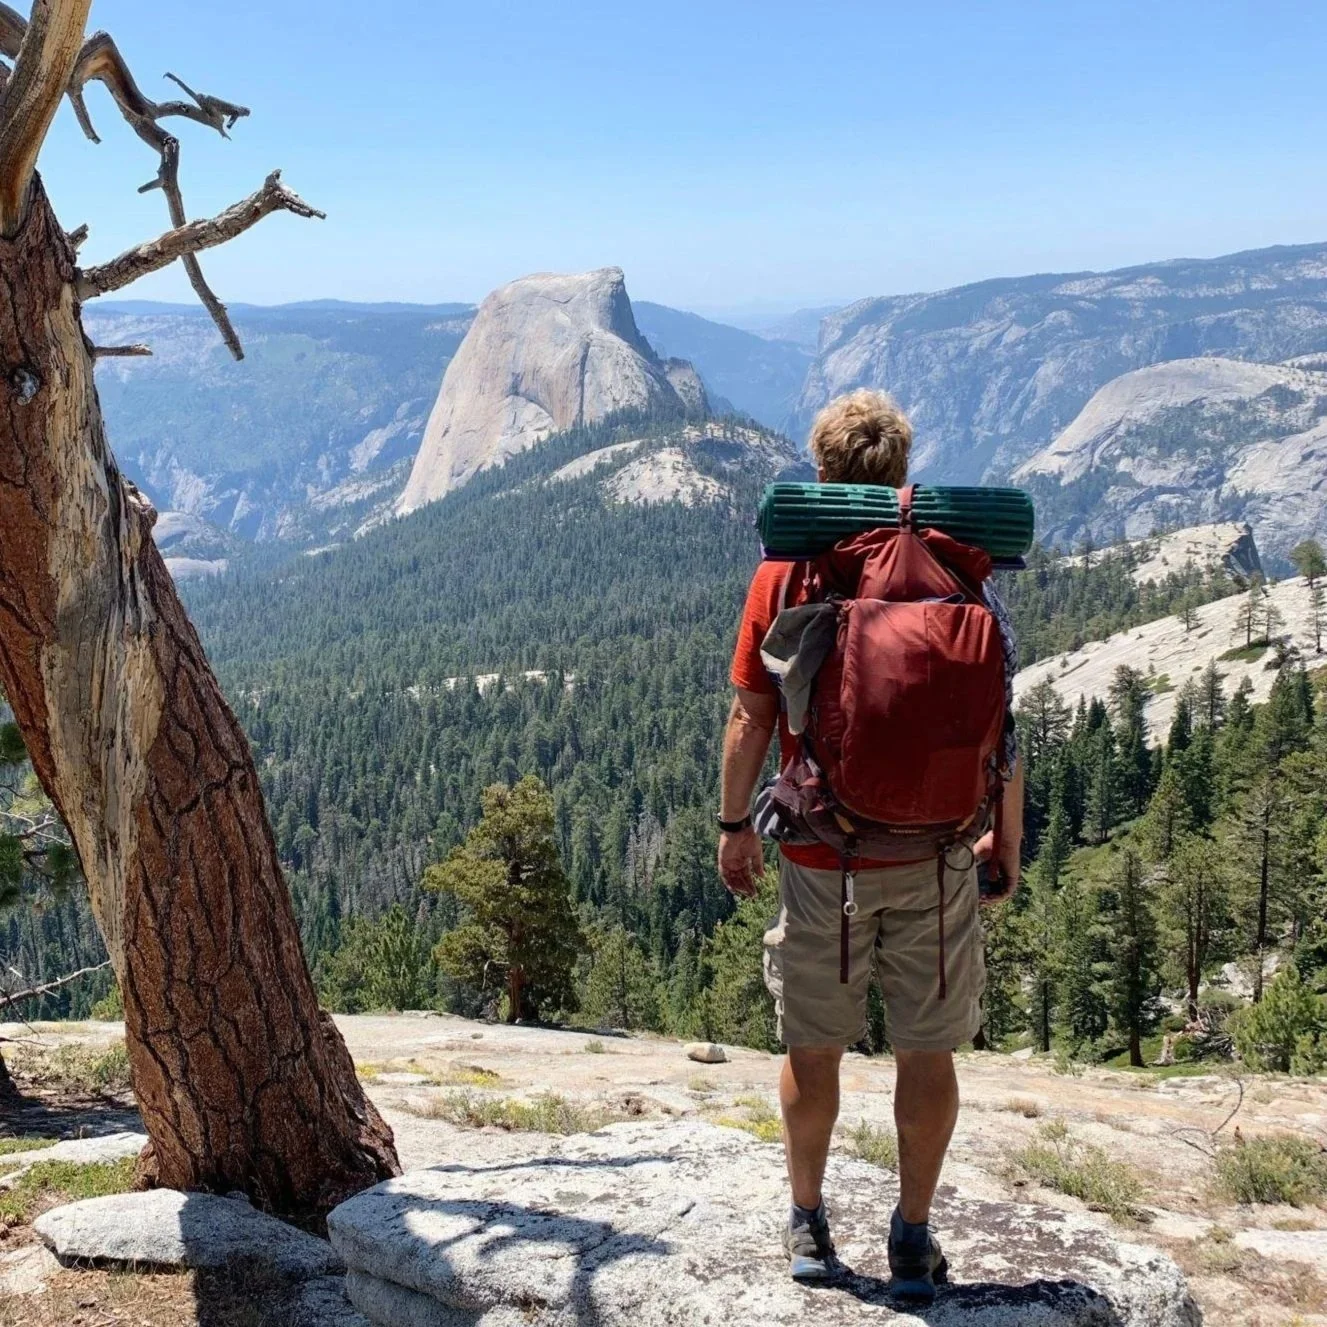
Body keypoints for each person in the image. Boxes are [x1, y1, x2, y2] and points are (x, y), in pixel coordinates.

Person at [718, 388, 1024, 1302]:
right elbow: (1000, 723)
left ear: (822, 476)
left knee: (813, 1050)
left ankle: (808, 1225)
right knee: (927, 1056)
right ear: (902, 476)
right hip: (937, 859)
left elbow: (750, 715)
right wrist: (1003, 841)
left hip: (822, 862)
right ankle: (913, 1234)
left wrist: (735, 828)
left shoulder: (789, 572)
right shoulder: (962, 568)